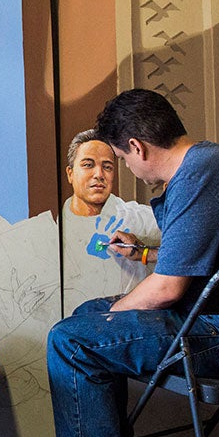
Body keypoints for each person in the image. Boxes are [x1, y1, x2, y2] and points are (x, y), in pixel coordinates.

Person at [25, 89, 219, 437]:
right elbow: (207, 259)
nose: (123, 168)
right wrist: (143, 253)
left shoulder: (197, 180)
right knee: (85, 317)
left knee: (69, 340)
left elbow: (168, 289)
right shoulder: (212, 163)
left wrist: (116, 313)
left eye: (121, 160)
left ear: (137, 147)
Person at [60, 129, 160, 312]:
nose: (99, 174)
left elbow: (196, 249)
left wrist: (146, 253)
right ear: (70, 173)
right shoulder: (48, 232)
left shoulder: (141, 218)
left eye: (107, 167)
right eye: (88, 165)